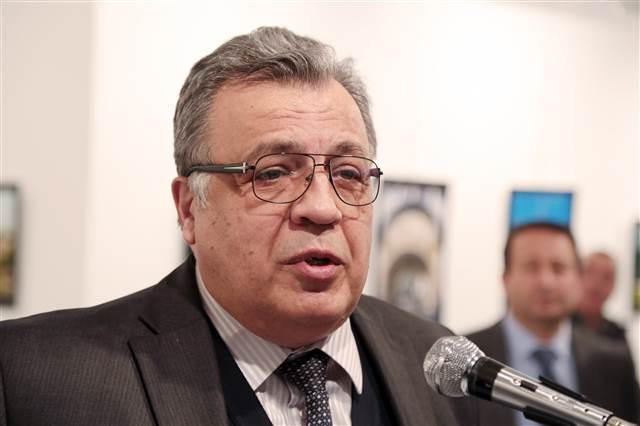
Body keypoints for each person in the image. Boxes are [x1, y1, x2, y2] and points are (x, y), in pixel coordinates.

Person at [0, 27, 477, 425]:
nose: (322, 208)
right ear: (189, 209)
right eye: (272, 173)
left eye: (349, 174)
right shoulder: (37, 377)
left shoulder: (435, 363)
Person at [467, 222, 640, 426]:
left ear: (578, 279)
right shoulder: (466, 360)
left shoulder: (614, 364)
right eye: (531, 267)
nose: (546, 282)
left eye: (559, 268)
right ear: (505, 279)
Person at [574, 251, 627, 341]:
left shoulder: (617, 335)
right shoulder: (558, 326)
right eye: (590, 272)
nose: (596, 284)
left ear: (614, 286)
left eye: (606, 277)